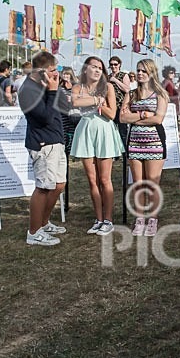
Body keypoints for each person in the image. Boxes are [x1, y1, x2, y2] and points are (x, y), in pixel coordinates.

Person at [17, 51, 67, 247]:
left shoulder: (44, 85)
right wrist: (52, 91)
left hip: (56, 140)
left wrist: (56, 89)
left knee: (58, 185)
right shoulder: (28, 90)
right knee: (43, 188)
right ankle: (34, 232)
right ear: (42, 71)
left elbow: (62, 108)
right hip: (43, 143)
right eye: (53, 70)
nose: (56, 74)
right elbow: (45, 117)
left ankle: (44, 223)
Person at [70, 56, 124, 236]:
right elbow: (75, 102)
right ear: (86, 69)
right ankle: (98, 219)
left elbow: (112, 113)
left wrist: (98, 104)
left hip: (104, 132)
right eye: (94, 67)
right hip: (85, 131)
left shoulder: (107, 87)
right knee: (92, 180)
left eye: (100, 68)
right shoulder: (78, 87)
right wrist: (96, 101)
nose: (98, 70)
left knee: (105, 179)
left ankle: (108, 220)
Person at [120, 59, 169, 237]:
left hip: (154, 143)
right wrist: (142, 114)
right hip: (134, 143)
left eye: (144, 71)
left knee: (152, 184)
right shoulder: (131, 94)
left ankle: (153, 219)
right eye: (138, 70)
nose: (140, 73)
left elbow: (157, 119)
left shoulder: (161, 94)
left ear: (151, 73)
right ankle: (140, 219)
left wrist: (134, 117)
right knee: (138, 184)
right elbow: (122, 118)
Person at [107, 56, 131, 148]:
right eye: (111, 65)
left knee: (122, 131)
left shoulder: (123, 75)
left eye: (115, 64)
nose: (113, 66)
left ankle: (125, 154)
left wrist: (115, 80)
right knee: (112, 130)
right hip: (111, 107)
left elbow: (127, 89)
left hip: (121, 107)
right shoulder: (108, 77)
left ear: (119, 65)